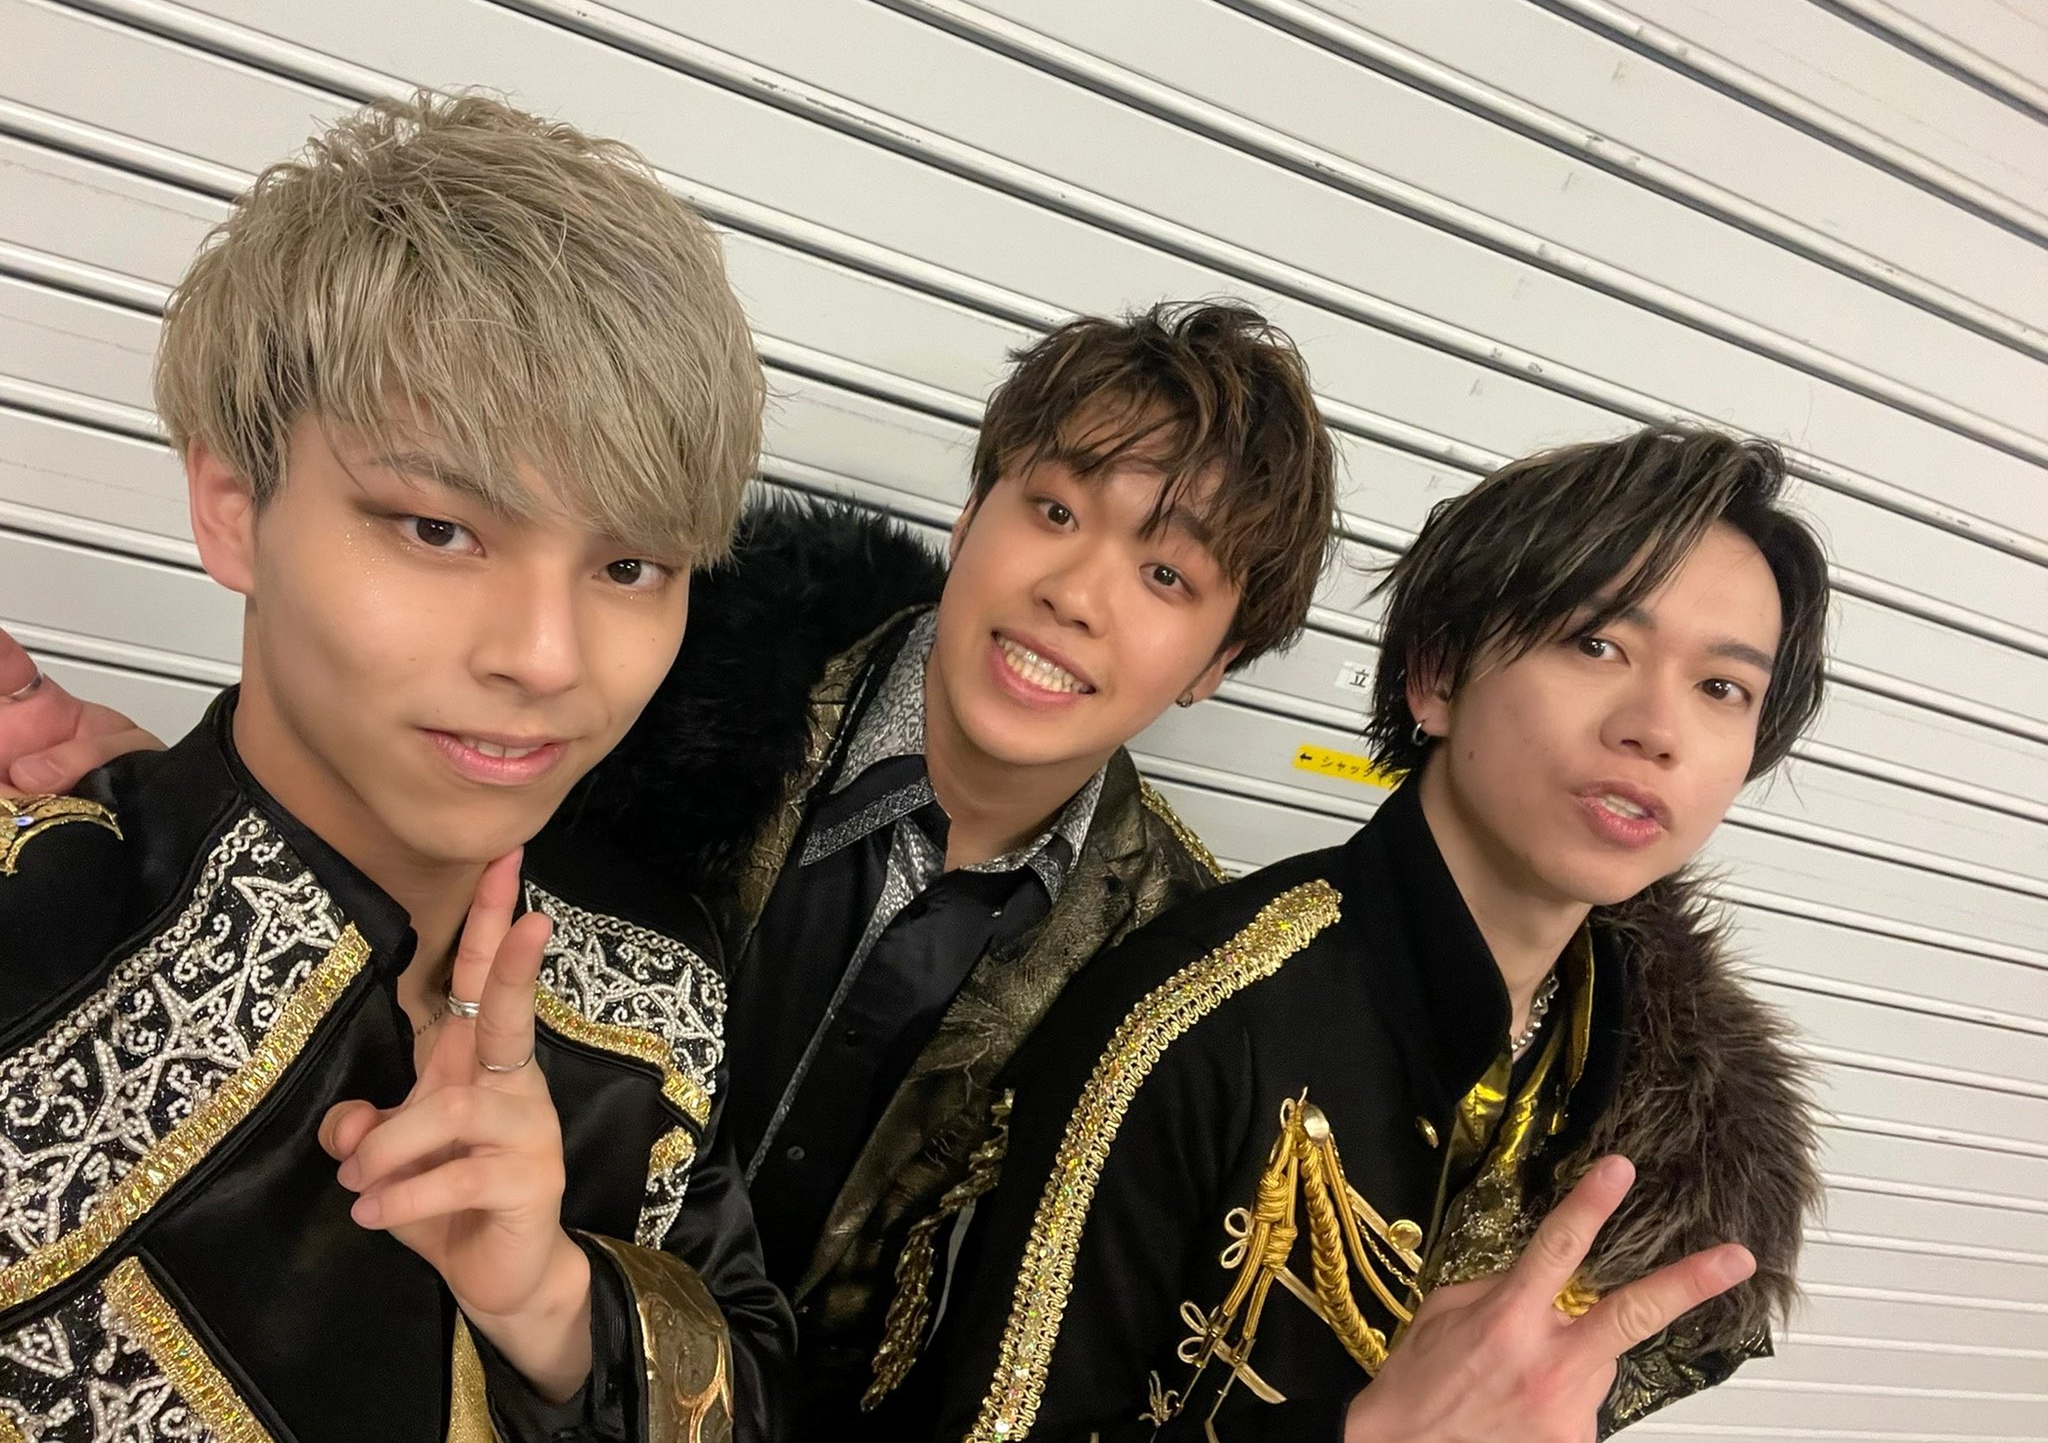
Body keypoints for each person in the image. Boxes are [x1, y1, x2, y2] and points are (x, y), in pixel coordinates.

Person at [0, 302, 1340, 1420]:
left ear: (1217, 663)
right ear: (974, 508)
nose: (1077, 591)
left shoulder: (1179, 982)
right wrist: (190, 827)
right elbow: (393, 816)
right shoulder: (655, 674)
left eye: (1167, 578)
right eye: (1051, 509)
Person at [0, 91, 792, 1442]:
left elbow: (754, 1384)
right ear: (232, 506)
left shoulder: (656, 986)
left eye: (628, 565)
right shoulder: (32, 952)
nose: (546, 656)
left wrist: (559, 1311)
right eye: (436, 529)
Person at [903, 425, 1827, 1441]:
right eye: (1595, 643)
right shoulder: (1188, 1024)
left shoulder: (1673, 1117)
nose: (1656, 728)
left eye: (1721, 688)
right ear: (1437, 675)